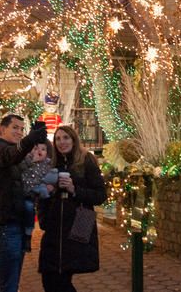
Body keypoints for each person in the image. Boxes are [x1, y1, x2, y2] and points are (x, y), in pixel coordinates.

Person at [0, 115, 48, 292]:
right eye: (15, 128)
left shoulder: (10, 152)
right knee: (9, 285)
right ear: (2, 129)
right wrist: (30, 139)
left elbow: (20, 170)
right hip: (5, 226)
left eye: (21, 128)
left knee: (13, 283)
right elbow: (11, 155)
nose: (19, 132)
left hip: (15, 223)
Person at [38, 125, 107, 292]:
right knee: (49, 277)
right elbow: (41, 196)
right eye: (58, 139)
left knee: (61, 280)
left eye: (66, 138)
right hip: (54, 227)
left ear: (74, 139)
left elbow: (100, 195)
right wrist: (45, 215)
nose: (62, 142)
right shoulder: (51, 163)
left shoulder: (86, 161)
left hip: (78, 223)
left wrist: (74, 189)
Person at [20, 141, 58, 252]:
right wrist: (32, 162)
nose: (39, 151)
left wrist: (51, 186)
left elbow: (52, 178)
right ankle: (28, 236)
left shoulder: (48, 164)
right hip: (29, 194)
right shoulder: (26, 161)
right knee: (28, 209)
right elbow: (24, 180)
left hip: (44, 197)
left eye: (43, 149)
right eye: (36, 148)